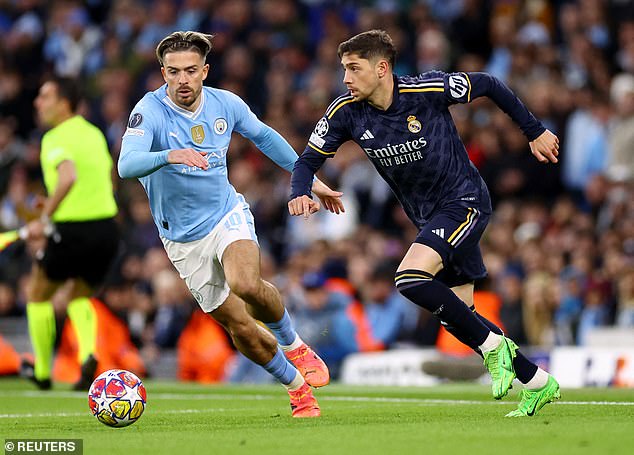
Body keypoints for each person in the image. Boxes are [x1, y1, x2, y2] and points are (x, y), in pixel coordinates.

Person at [289, 30, 561, 417]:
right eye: (343, 69)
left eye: (354, 68)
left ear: (382, 68)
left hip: (464, 201)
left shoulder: (426, 90)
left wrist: (534, 131)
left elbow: (488, 84)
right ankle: (536, 382)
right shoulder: (345, 113)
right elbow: (307, 161)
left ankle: (494, 348)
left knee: (410, 278)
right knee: (462, 316)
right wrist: (300, 191)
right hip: (429, 217)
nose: (345, 78)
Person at [118, 31, 344, 418]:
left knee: (245, 283)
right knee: (239, 325)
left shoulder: (225, 104)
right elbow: (126, 164)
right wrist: (171, 154)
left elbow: (264, 137)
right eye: (173, 72)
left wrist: (309, 180)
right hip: (182, 240)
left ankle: (295, 345)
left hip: (226, 215)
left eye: (191, 71)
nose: (182, 80)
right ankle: (296, 388)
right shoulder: (149, 111)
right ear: (163, 73)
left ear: (205, 71)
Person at [22, 76, 120, 390]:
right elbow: (106, 180)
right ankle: (88, 355)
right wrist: (49, 202)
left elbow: (68, 177)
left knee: (38, 294)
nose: (38, 103)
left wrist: (45, 216)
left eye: (45, 96)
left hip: (71, 229)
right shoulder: (95, 134)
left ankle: (40, 371)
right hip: (106, 228)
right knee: (80, 295)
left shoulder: (55, 137)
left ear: (64, 102)